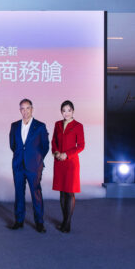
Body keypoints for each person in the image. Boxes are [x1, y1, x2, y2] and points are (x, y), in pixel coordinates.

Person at [9, 98, 49, 233]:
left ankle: (39, 222)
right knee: (19, 194)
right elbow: (13, 145)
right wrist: (21, 157)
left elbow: (45, 147)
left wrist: (36, 159)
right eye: (22, 108)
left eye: (27, 108)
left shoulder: (40, 126)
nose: (25, 111)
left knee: (36, 193)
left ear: (32, 109)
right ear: (19, 110)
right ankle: (19, 221)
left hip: (34, 166)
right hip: (18, 165)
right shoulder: (14, 126)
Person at [52, 100, 84, 233]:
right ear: (61, 112)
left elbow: (81, 145)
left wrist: (67, 154)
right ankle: (65, 220)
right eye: (63, 110)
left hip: (71, 163)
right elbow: (54, 141)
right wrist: (56, 152)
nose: (66, 113)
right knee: (62, 192)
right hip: (59, 162)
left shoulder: (78, 126)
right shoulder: (57, 124)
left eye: (69, 110)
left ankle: (67, 223)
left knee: (69, 192)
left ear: (73, 111)